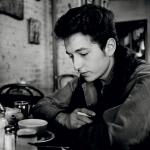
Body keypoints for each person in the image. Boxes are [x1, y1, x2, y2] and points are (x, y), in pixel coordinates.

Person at [32, 4, 150, 150]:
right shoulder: (83, 80)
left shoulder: (144, 79)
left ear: (109, 47)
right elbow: (42, 105)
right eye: (71, 56)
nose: (76, 66)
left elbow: (119, 140)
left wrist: (65, 130)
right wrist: (64, 118)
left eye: (83, 53)